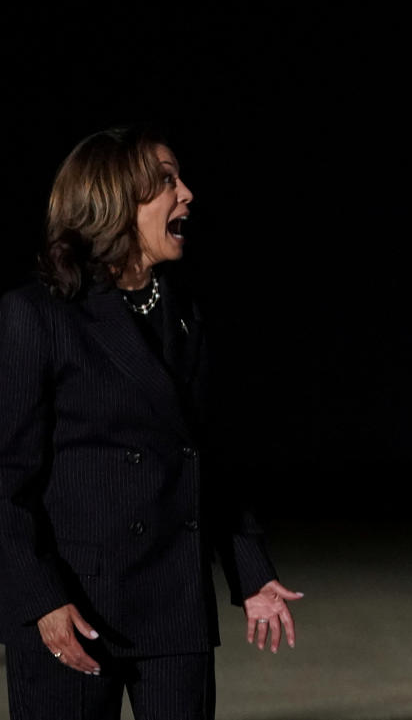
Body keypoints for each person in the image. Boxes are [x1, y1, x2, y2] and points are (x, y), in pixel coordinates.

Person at [0, 127, 303, 719]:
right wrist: (41, 601)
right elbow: (6, 482)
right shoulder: (36, 314)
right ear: (114, 199)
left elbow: (207, 456)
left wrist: (251, 573)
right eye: (166, 181)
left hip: (174, 607)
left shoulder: (184, 312)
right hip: (72, 612)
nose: (187, 193)